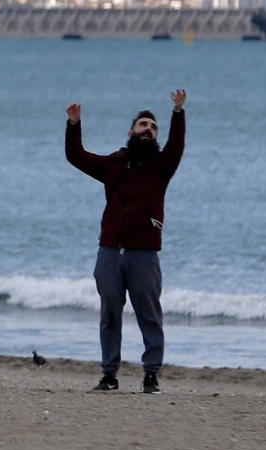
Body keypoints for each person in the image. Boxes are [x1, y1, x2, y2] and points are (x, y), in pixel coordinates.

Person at [64, 88, 187, 394]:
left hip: (144, 255)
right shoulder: (113, 165)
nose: (149, 129)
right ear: (131, 131)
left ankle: (151, 375)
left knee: (150, 315)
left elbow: (176, 146)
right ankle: (109, 375)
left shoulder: (161, 166)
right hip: (109, 253)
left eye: (153, 127)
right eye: (143, 125)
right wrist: (74, 125)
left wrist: (178, 113)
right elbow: (76, 156)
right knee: (109, 315)